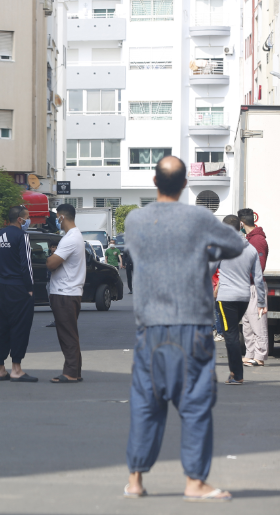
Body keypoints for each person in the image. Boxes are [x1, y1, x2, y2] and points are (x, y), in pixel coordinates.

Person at [123, 155, 245, 501]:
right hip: (192, 326)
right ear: (186, 185)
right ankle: (194, 482)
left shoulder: (135, 220)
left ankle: (135, 481)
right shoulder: (198, 218)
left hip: (150, 327)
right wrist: (204, 249)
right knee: (194, 405)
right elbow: (235, 243)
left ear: (154, 182)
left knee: (146, 402)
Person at [215, 214, 267, 384]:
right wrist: (261, 302)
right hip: (244, 297)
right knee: (232, 332)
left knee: (230, 335)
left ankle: (237, 375)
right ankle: (235, 373)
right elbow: (258, 278)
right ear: (240, 227)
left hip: (226, 298)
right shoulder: (251, 249)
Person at [0, 206, 37, 382]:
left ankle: (0, 368)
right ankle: (16, 369)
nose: (29, 220)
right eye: (27, 218)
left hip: (2, 286)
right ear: (20, 219)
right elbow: (26, 265)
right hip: (18, 287)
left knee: (2, 327)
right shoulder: (22, 236)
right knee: (20, 327)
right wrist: (30, 287)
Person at [45, 204, 86, 383]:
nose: (56, 220)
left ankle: (70, 372)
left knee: (67, 334)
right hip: (69, 292)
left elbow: (52, 263)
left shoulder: (70, 238)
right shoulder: (74, 236)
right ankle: (75, 371)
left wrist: (49, 257)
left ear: (62, 217)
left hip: (65, 293)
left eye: (56, 217)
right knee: (70, 333)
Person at [238, 208, 269, 366]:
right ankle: (250, 353)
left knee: (257, 321)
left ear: (242, 223)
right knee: (247, 322)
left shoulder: (257, 240)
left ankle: (260, 356)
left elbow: (259, 267)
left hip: (254, 286)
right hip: (246, 285)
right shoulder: (249, 239)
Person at [45, 242, 58, 328]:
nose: (53, 249)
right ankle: (56, 320)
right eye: (52, 247)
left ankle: (59, 320)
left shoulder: (59, 257)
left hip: (57, 282)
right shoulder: (49, 257)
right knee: (51, 302)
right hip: (49, 281)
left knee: (56, 302)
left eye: (55, 247)